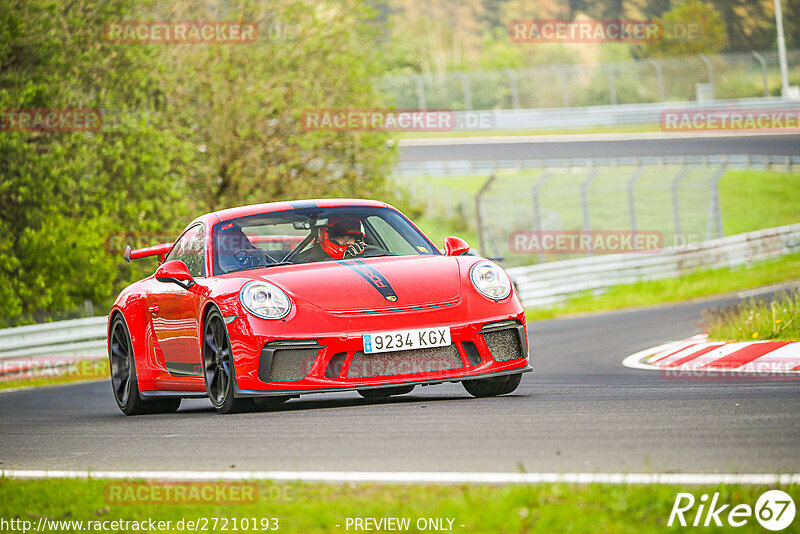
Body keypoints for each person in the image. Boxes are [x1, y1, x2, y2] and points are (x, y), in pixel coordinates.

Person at [298, 218, 368, 262]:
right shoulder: (312, 262)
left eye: (350, 238)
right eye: (341, 238)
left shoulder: (369, 254)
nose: (347, 242)